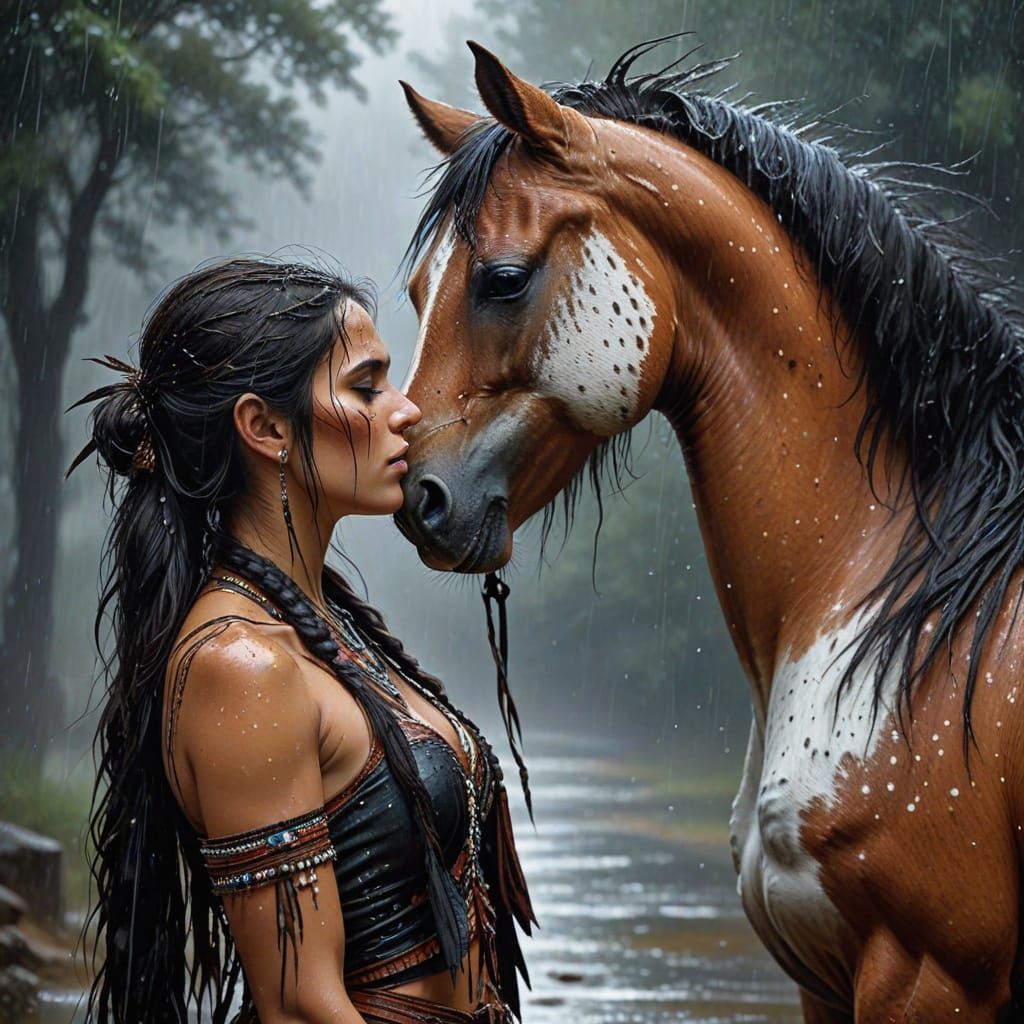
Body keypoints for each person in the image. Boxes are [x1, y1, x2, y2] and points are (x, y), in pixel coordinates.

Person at [73, 258, 534, 1024]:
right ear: (264, 427)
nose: (406, 410)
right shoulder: (241, 665)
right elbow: (299, 1006)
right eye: (366, 386)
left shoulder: (324, 625)